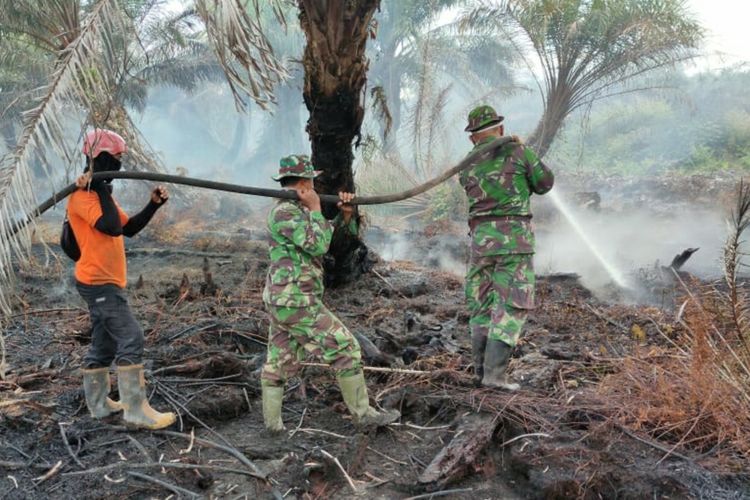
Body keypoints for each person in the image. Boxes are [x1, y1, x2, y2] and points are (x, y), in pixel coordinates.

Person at [261, 154, 400, 431]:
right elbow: (317, 245)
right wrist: (314, 207)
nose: (314, 185)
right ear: (304, 182)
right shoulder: (285, 212)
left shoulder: (297, 211)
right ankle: (363, 416)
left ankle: (272, 427)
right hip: (296, 301)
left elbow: (329, 241)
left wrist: (344, 215)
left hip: (286, 300)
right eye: (312, 180)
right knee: (346, 347)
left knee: (279, 361)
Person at [67, 129, 175, 429]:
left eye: (119, 160)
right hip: (98, 283)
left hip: (105, 282)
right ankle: (136, 411)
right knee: (131, 337)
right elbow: (111, 227)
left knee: (105, 345)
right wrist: (99, 186)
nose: (117, 166)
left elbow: (127, 228)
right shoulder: (83, 196)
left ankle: (99, 404)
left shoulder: (100, 195)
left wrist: (153, 205)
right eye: (112, 160)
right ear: (97, 159)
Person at [460, 106, 554, 390]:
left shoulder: (468, 163)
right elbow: (545, 183)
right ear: (500, 129)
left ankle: (480, 372)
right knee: (511, 306)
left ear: (472, 138)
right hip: (514, 243)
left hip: (481, 243)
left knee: (483, 305)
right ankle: (495, 377)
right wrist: (523, 149)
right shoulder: (518, 152)